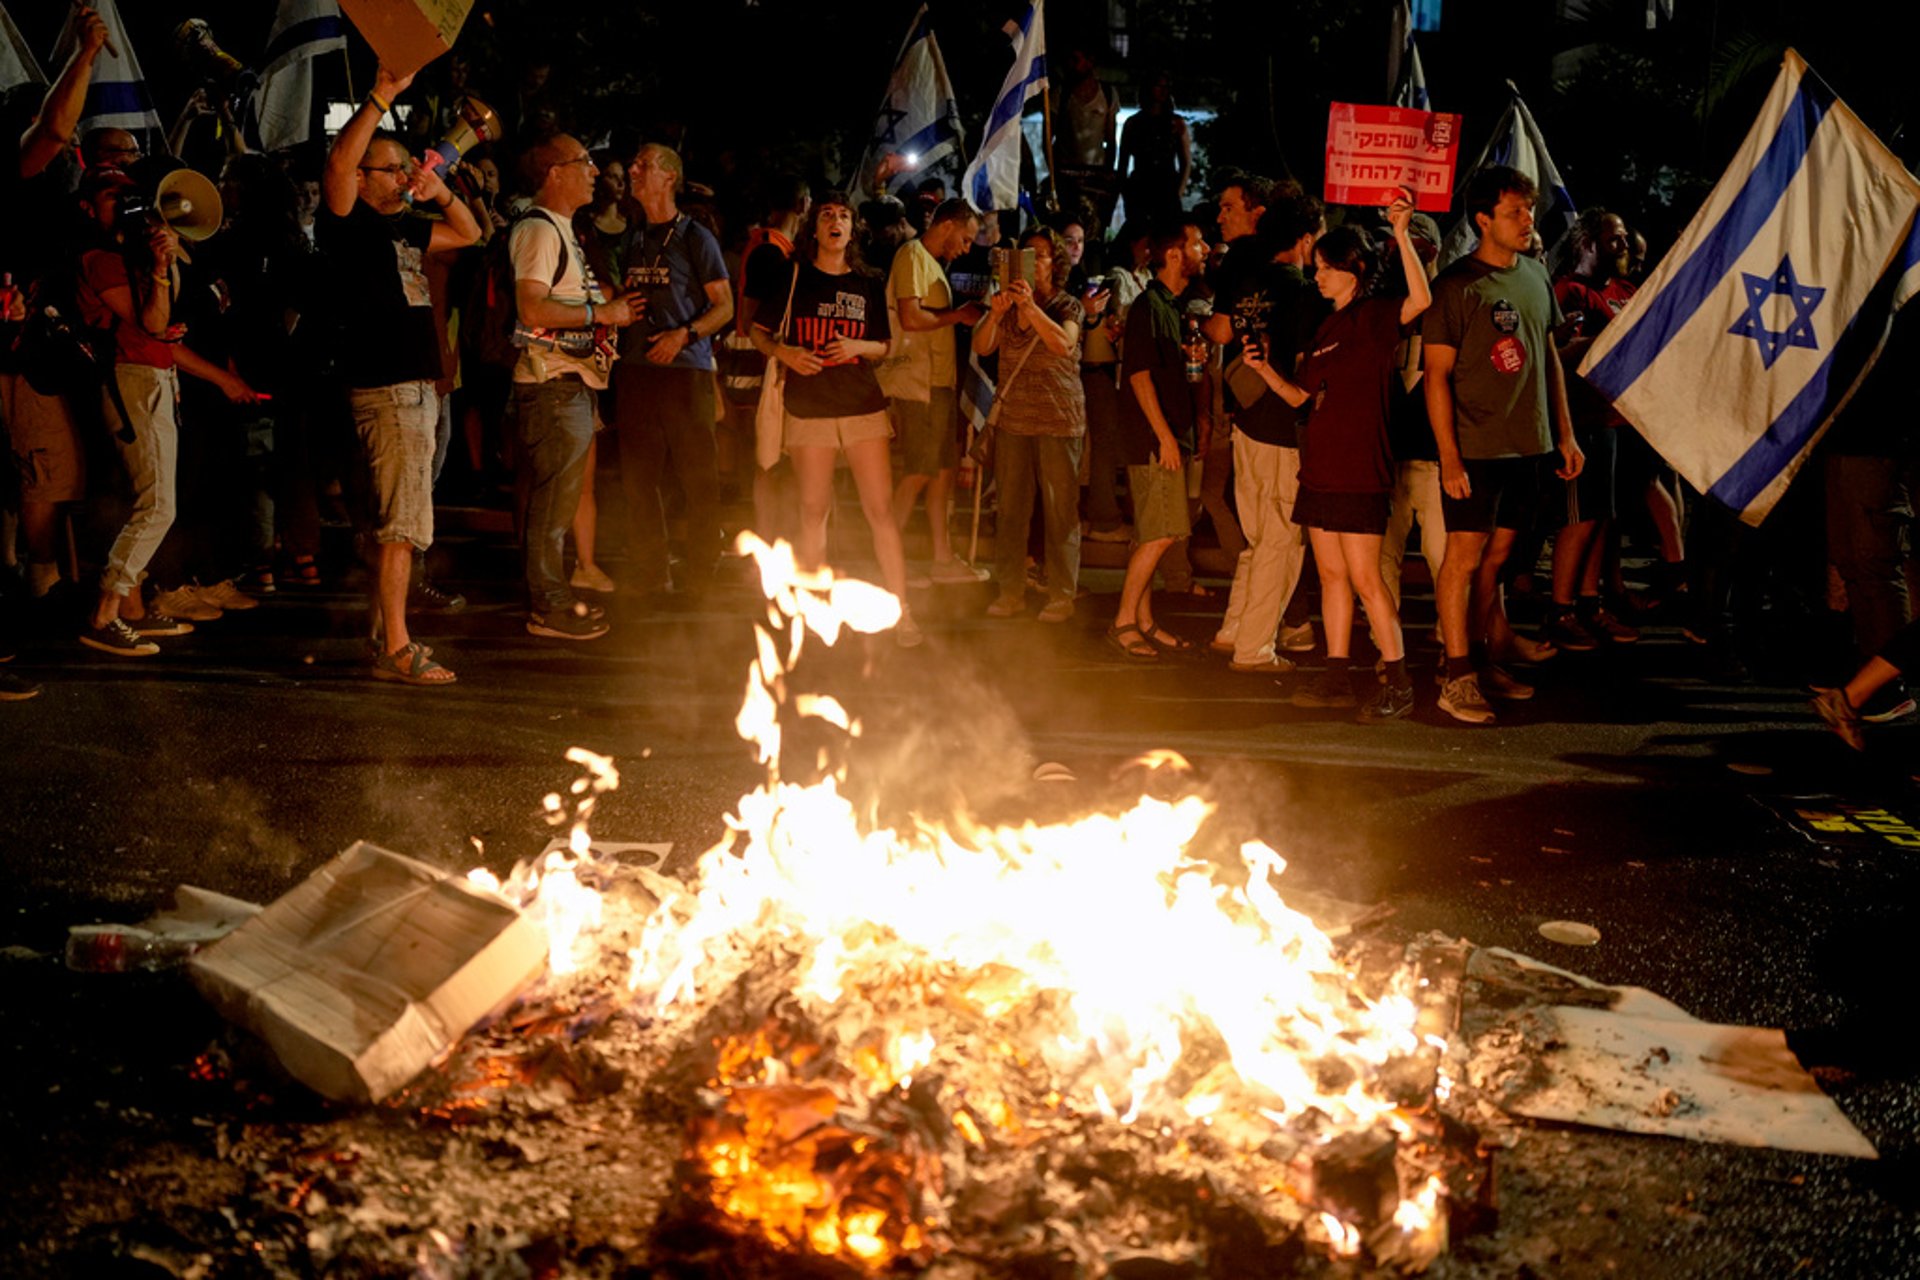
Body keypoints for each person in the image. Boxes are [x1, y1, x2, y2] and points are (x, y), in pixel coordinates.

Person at [1239, 195, 1432, 722]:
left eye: (1327, 268)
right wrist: (1262, 371)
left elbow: (1421, 298)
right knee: (1330, 576)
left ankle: (1397, 679)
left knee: (1366, 578)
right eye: (1318, 266)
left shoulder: (1374, 317)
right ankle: (1337, 673)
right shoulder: (1325, 327)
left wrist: (1400, 226)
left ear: (1356, 270)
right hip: (1320, 469)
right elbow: (1303, 398)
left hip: (1359, 471)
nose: (1317, 276)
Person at [318, 61, 482, 683]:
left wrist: (436, 188)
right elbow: (337, 163)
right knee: (402, 529)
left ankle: (381, 633)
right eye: (391, 168)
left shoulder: (403, 229)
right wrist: (381, 95)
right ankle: (398, 646)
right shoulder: (348, 223)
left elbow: (468, 233)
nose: (403, 176)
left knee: (393, 521)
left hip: (410, 391)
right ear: (361, 179)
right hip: (389, 390)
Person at [75, 168, 260, 656]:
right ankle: (104, 614)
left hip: (151, 381)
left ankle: (130, 610)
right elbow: (153, 324)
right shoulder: (100, 260)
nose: (129, 206)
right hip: (130, 383)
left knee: (150, 500)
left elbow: (164, 332)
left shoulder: (127, 255)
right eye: (114, 197)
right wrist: (159, 272)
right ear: (89, 208)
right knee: (157, 506)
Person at [1423, 166, 1582, 724]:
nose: (1526, 221)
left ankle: (1485, 658)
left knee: (1497, 557)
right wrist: (1448, 456)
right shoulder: (1455, 286)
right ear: (1483, 219)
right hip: (1475, 450)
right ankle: (1455, 673)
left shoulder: (1536, 275)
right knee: (1462, 559)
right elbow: (1435, 376)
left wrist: (1563, 432)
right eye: (1515, 212)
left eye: (1528, 211)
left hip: (1528, 447)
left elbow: (1548, 360)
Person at [747, 193, 916, 644]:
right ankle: (813, 613)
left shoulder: (867, 281)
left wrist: (858, 347)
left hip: (862, 405)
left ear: (852, 230)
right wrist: (786, 352)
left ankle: (902, 610)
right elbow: (756, 331)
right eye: (827, 215)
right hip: (810, 408)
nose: (835, 221)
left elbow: (883, 343)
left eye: (843, 215)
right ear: (815, 229)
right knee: (812, 509)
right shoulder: (794, 275)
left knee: (879, 510)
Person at [509, 135, 637, 639]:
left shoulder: (561, 229)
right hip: (552, 387)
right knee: (552, 506)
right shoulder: (540, 231)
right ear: (554, 172)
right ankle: (547, 606)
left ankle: (551, 597)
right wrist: (600, 313)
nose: (594, 170)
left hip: (568, 385)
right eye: (584, 162)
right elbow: (532, 308)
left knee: (558, 503)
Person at [1203, 182, 1324, 673]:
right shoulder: (1300, 291)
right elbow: (1302, 365)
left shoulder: (1253, 283)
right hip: (1279, 428)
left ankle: (1234, 630)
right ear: (1304, 239)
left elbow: (1224, 331)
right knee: (1281, 541)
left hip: (1247, 422)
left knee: (1258, 541)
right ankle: (1255, 648)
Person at [613, 143, 733, 595]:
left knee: (697, 477)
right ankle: (650, 567)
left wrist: (684, 335)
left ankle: (703, 569)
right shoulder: (634, 237)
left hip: (685, 372)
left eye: (643, 165)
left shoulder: (694, 236)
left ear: (668, 178)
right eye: (634, 163)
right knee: (639, 479)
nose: (633, 169)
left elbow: (724, 307)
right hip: (638, 372)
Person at [972, 227, 1086, 622]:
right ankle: (1010, 591)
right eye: (1026, 256)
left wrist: (1030, 309)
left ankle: (1061, 594)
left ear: (1055, 263)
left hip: (1059, 420)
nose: (1033, 263)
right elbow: (982, 345)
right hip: (1015, 421)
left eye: (1039, 256)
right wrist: (998, 311)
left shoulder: (1067, 305)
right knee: (1011, 510)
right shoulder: (1005, 305)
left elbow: (1063, 344)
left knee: (1060, 512)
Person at [1108, 217, 1207, 660]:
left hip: (1169, 436)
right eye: (1198, 244)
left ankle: (1144, 621)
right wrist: (1166, 436)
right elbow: (1140, 377)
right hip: (1153, 440)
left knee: (1151, 530)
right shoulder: (1149, 305)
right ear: (1174, 254)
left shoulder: (1173, 306)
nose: (1204, 251)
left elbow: (1168, 374)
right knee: (1164, 531)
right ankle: (1123, 621)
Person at [1546, 209, 1641, 651]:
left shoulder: (1627, 291)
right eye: (1613, 239)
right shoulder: (1569, 291)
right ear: (1586, 243)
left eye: (1623, 239)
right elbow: (1556, 356)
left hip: (1618, 417)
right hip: (1581, 419)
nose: (1622, 247)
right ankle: (1559, 609)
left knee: (1604, 517)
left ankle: (1589, 602)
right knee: (1579, 517)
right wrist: (1613, 341)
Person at [883, 198, 986, 584]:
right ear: (947, 225)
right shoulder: (912, 256)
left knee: (941, 471)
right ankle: (886, 555)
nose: (966, 248)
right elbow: (910, 318)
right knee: (919, 471)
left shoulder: (935, 266)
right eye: (965, 238)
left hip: (939, 383)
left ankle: (942, 558)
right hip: (918, 384)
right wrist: (959, 315)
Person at [1117, 73, 1190, 227]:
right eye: (1159, 86)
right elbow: (1122, 164)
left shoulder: (1175, 124)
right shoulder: (1133, 123)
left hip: (1167, 188)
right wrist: (1127, 194)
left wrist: (1177, 193)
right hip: (1140, 188)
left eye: (1166, 87)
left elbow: (1185, 163)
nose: (1163, 91)